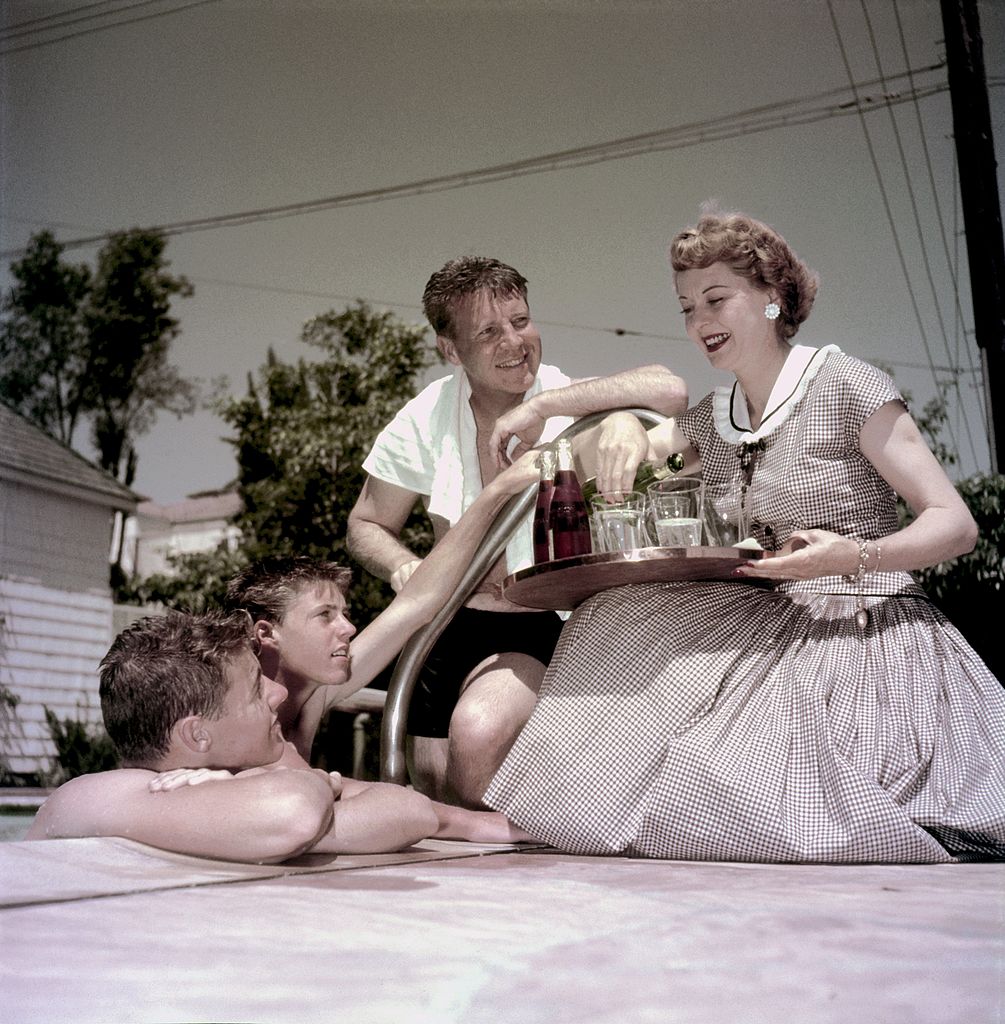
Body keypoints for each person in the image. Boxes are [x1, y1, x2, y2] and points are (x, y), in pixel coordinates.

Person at [484, 210, 1005, 863]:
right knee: (612, 614)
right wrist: (565, 412)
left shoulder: (847, 384)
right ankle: (557, 806)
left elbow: (954, 524)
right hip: (765, 618)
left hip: (862, 619)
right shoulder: (710, 419)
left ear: (771, 300)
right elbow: (654, 414)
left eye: (714, 299)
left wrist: (852, 555)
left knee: (759, 789)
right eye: (684, 308)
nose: (699, 320)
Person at [347, 255, 687, 805]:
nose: (514, 342)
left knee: (477, 736)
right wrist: (400, 563)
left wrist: (549, 408)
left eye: (521, 321)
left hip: (537, 621)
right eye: (489, 331)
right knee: (434, 791)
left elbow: (669, 389)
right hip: (442, 622)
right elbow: (365, 524)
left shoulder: (568, 401)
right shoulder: (425, 416)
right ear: (451, 350)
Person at [27, 611, 534, 863]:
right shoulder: (93, 799)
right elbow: (295, 814)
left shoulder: (215, 793)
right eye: (253, 689)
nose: (275, 694)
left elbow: (414, 811)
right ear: (197, 734)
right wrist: (312, 784)